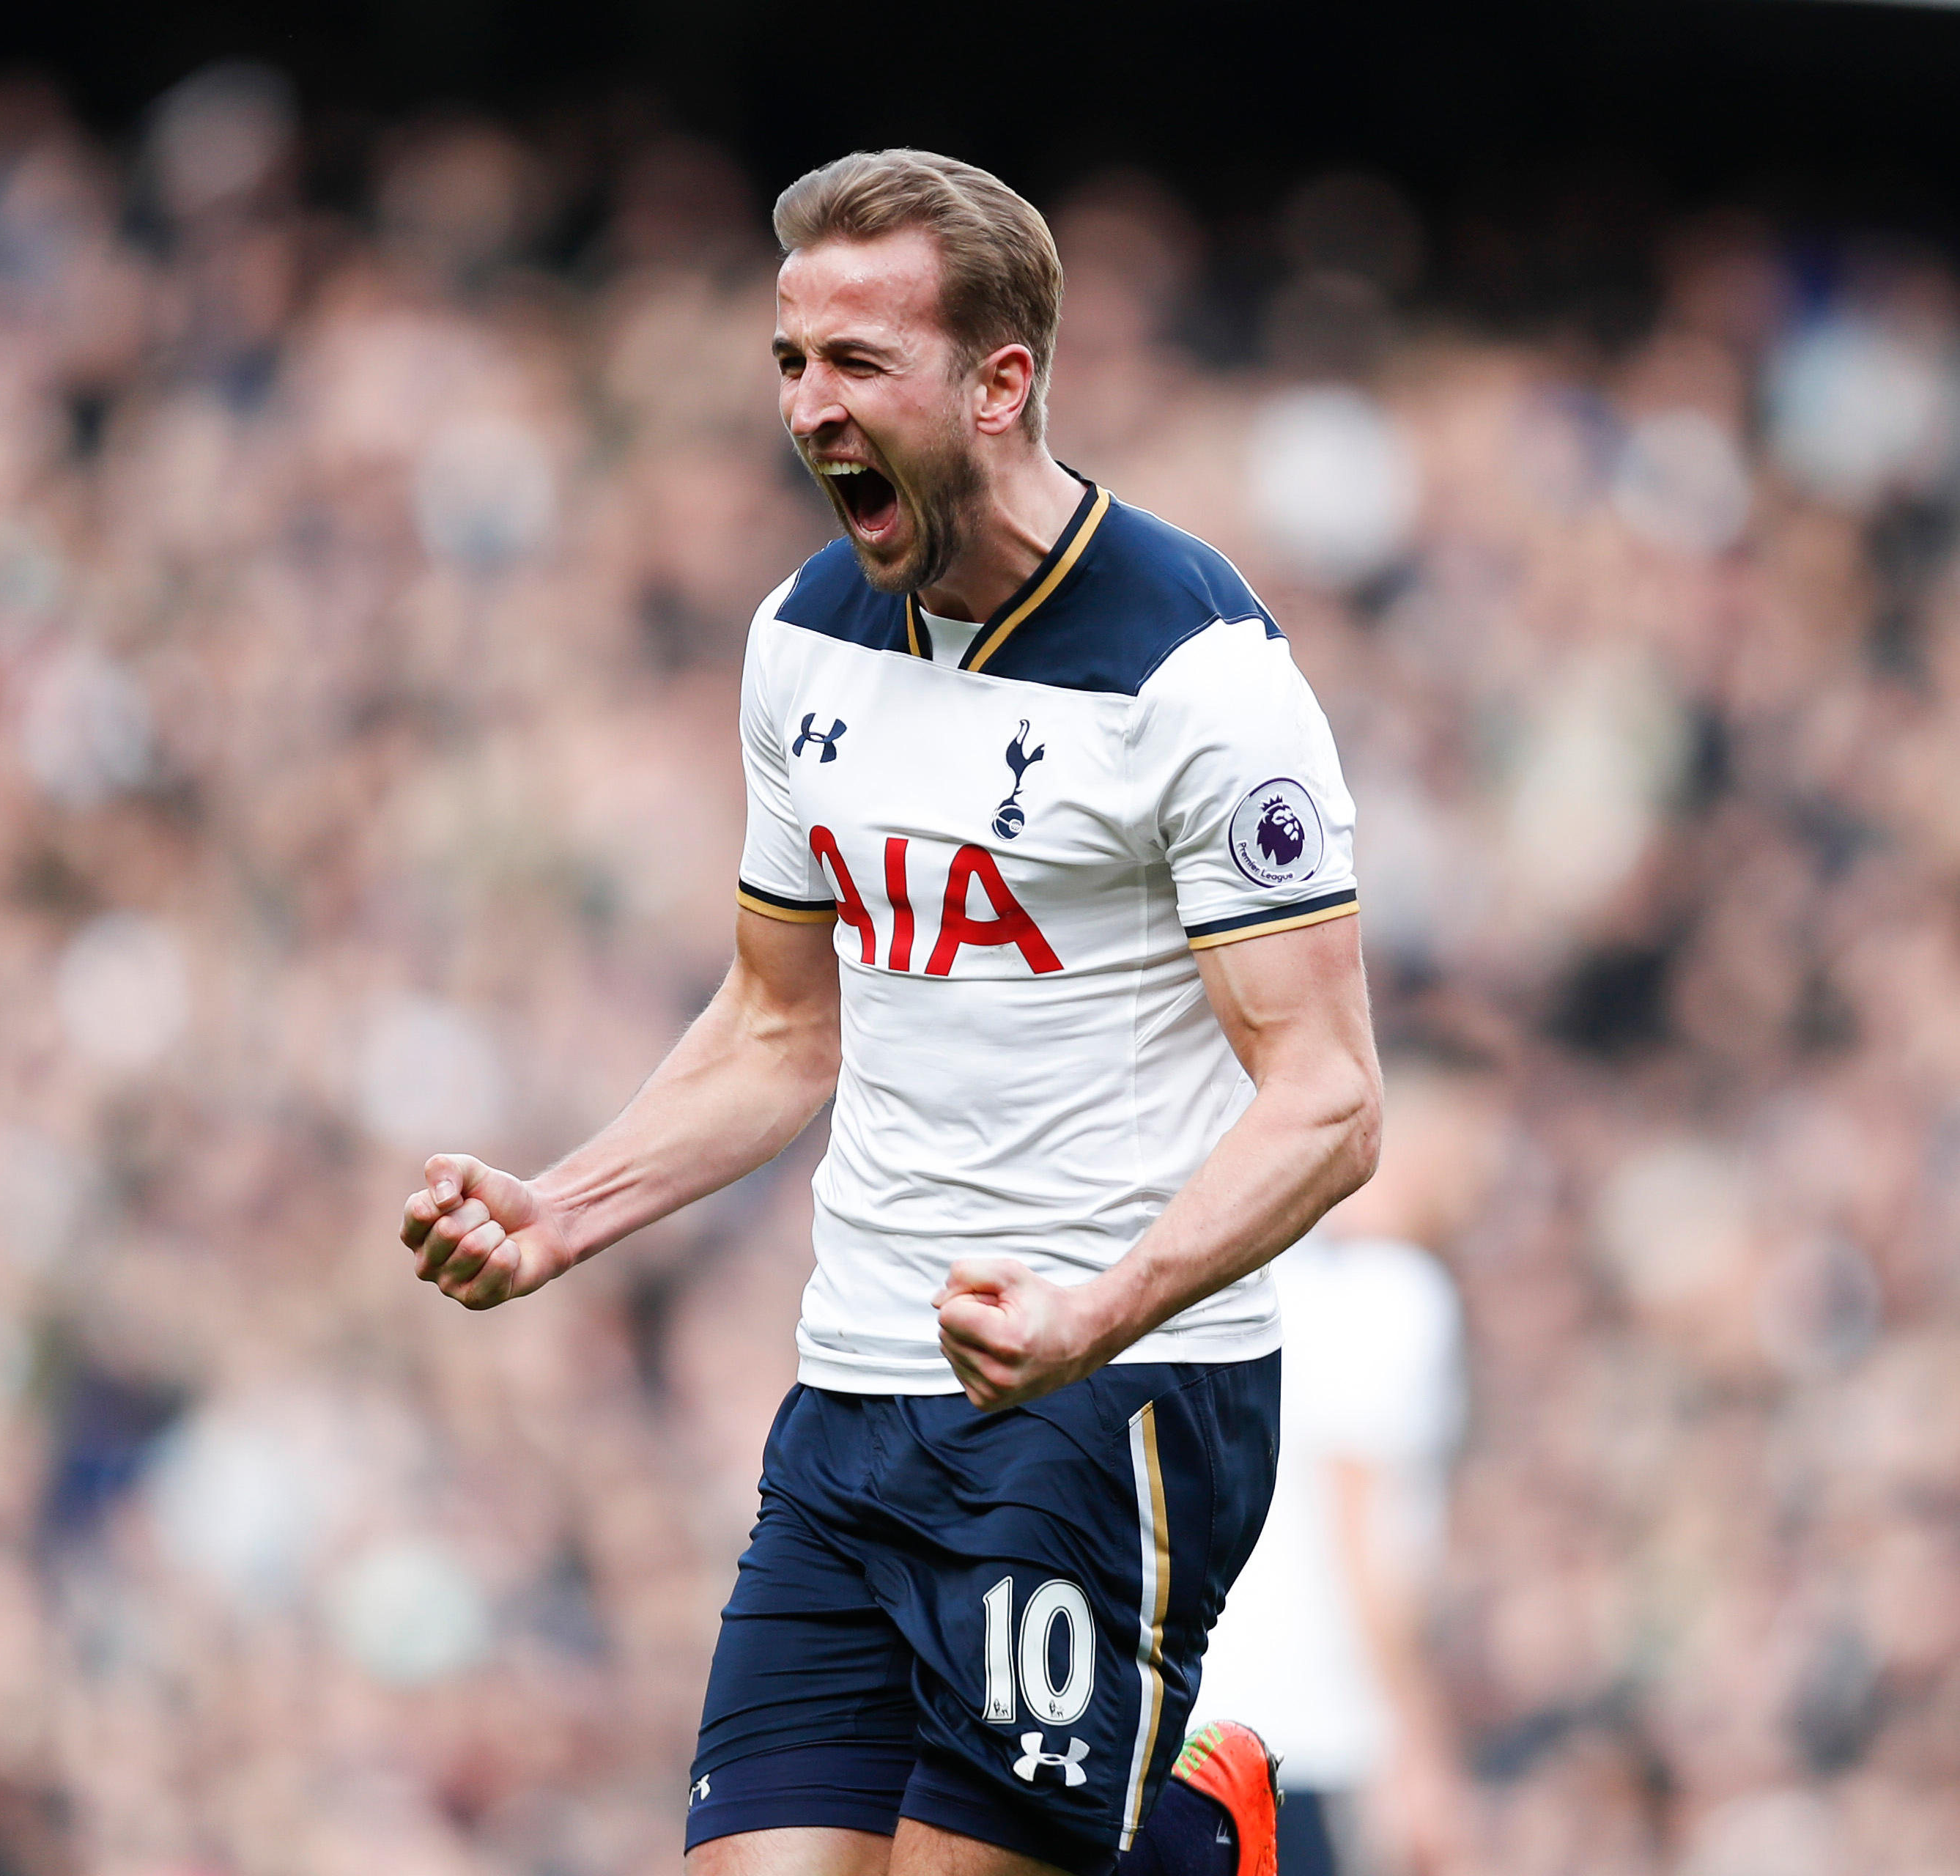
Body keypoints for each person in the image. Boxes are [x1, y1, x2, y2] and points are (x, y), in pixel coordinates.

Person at [399, 149, 1381, 1876]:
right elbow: (781, 1023)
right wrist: (563, 1207)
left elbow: (1328, 1099)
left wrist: (1099, 1306)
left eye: (857, 363)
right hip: (851, 1394)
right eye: (789, 361)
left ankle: (1184, 1837)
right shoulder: (802, 638)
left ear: (1000, 382)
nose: (807, 405)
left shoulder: (1196, 676)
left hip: (1105, 1402)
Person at [1188, 1082, 1482, 1876]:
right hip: (1311, 1731)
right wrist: (1417, 1745)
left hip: (1201, 1717)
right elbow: (1362, 1531)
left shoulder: (1265, 1279)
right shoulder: (1396, 1293)